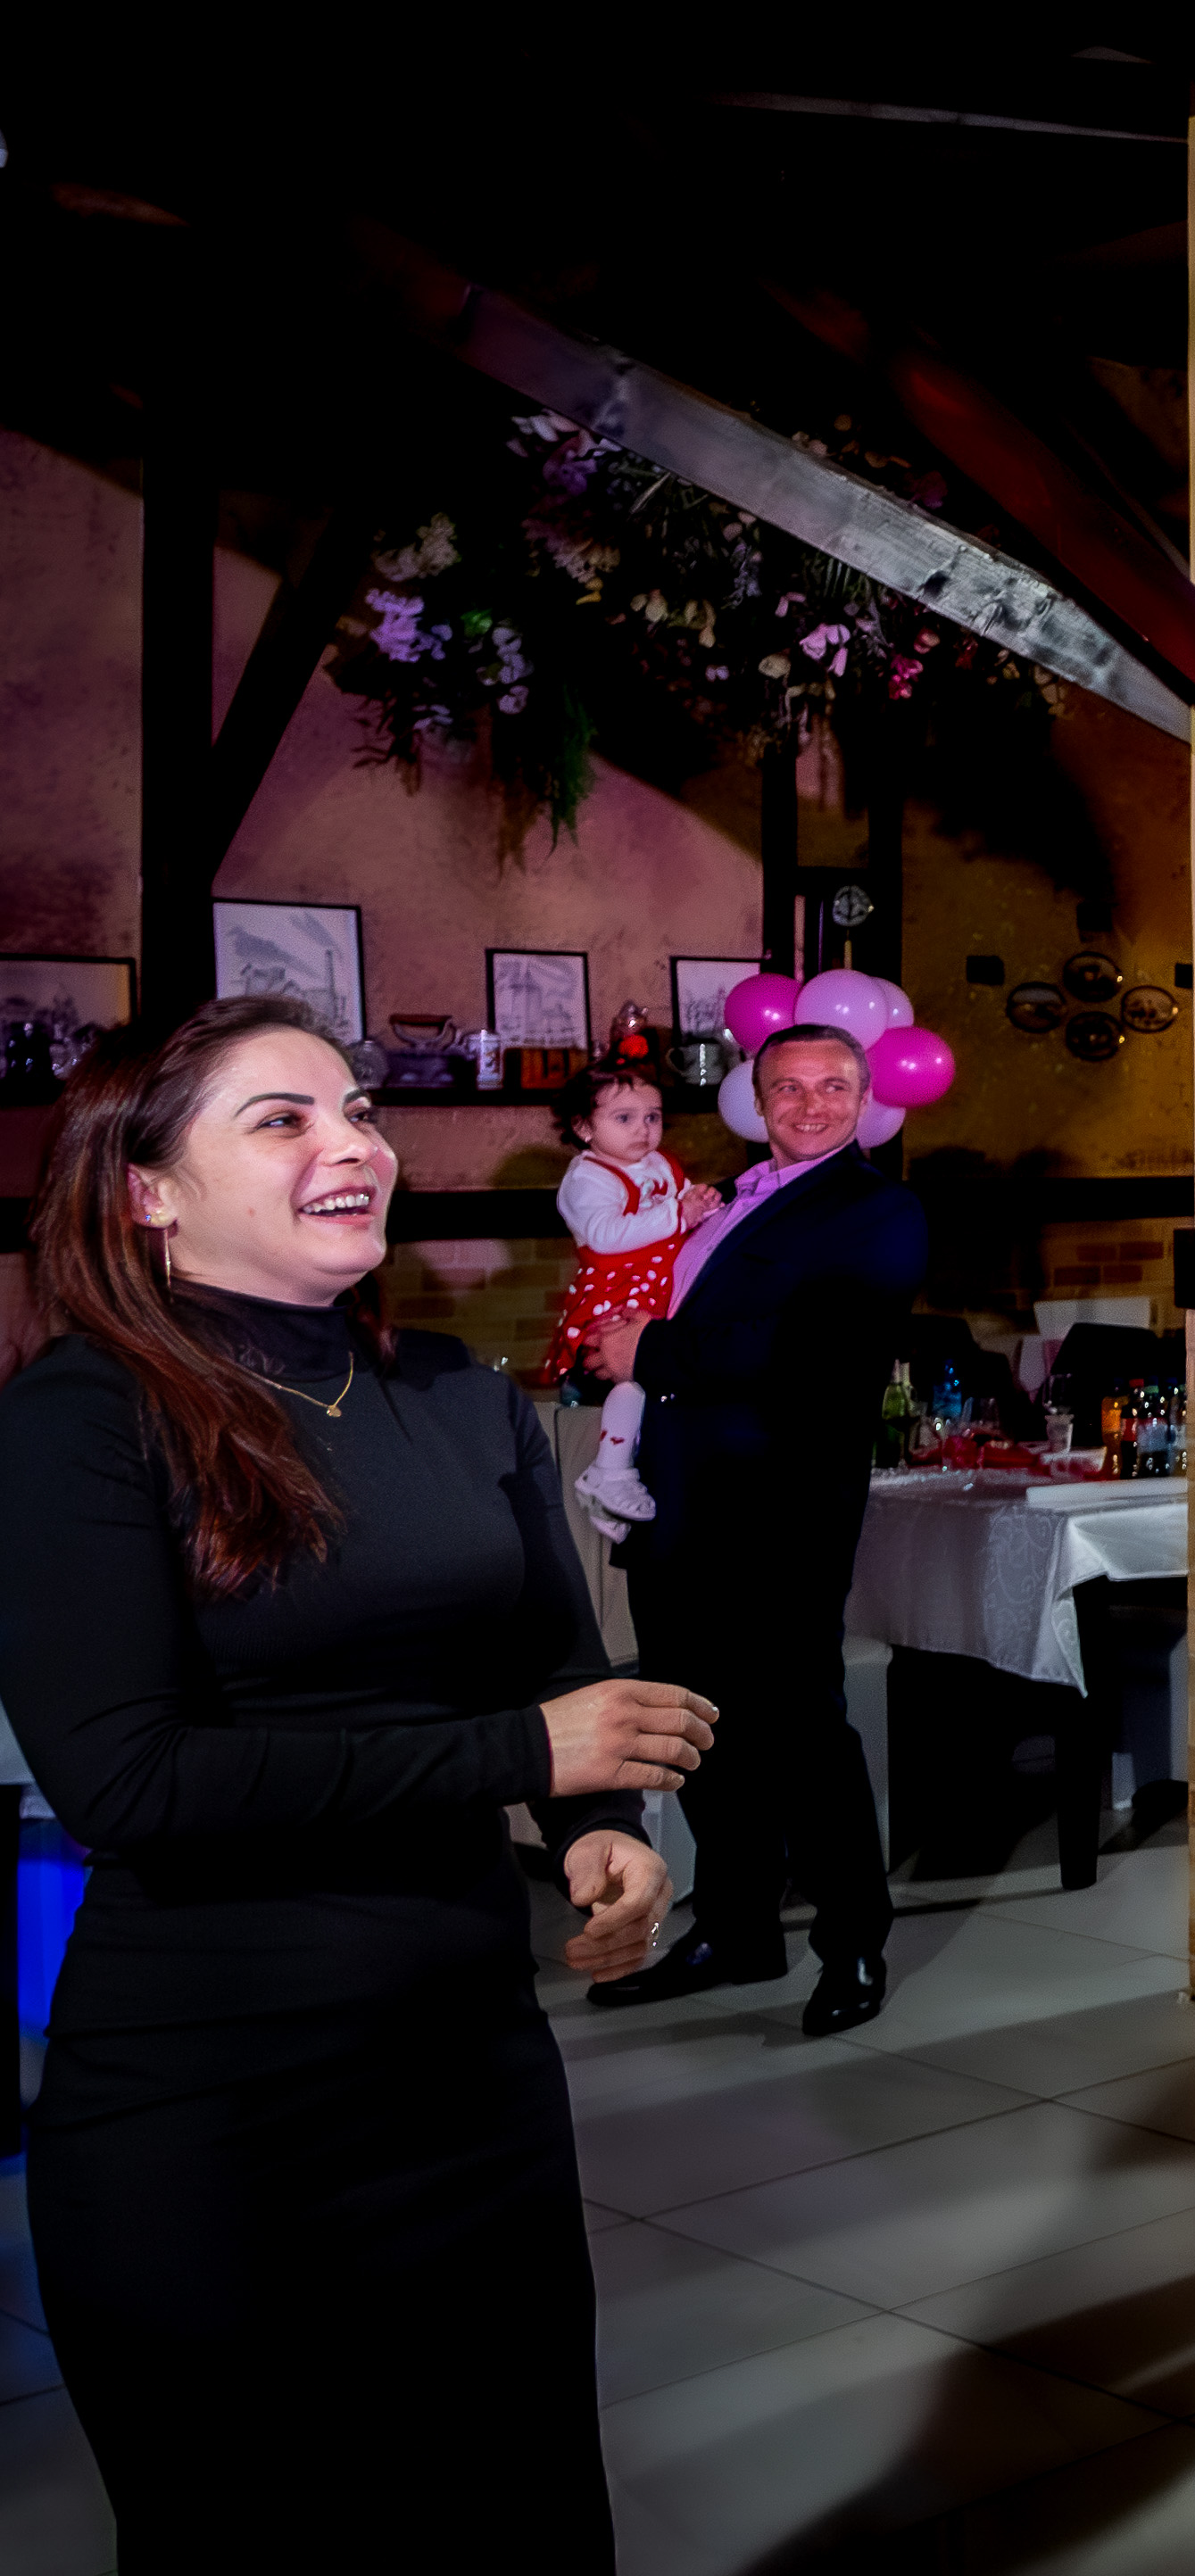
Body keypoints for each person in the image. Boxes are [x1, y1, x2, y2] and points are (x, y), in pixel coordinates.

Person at [0, 998, 716, 2571]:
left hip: (470, 2073)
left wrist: (602, 1832)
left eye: (360, 1110)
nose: (355, 1145)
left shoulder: (456, 1394)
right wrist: (529, 1759)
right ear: (147, 1188)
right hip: (218, 2104)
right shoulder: (81, 1417)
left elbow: (547, 1665)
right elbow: (131, 1781)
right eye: (285, 1119)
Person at [584, 1018, 925, 2036]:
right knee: (692, 1724)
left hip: (781, 1509)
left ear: (863, 1100)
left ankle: (853, 1940)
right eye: (789, 1087)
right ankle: (735, 1930)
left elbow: (814, 1350)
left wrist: (650, 1350)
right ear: (757, 1100)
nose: (810, 1104)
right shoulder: (725, 1198)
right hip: (675, 1498)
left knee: (799, 1726)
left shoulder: (879, 1208)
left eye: (832, 1086)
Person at [544, 1063, 716, 1528]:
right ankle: (609, 1471)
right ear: (583, 1127)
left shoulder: (661, 1164)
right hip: (617, 1294)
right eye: (624, 1118)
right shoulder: (587, 1178)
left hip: (664, 1290)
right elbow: (603, 1236)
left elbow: (684, 1206)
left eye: (652, 1117)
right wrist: (677, 1216)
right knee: (632, 1375)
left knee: (661, 1382)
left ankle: (623, 1483)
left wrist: (701, 1206)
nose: (643, 1129)